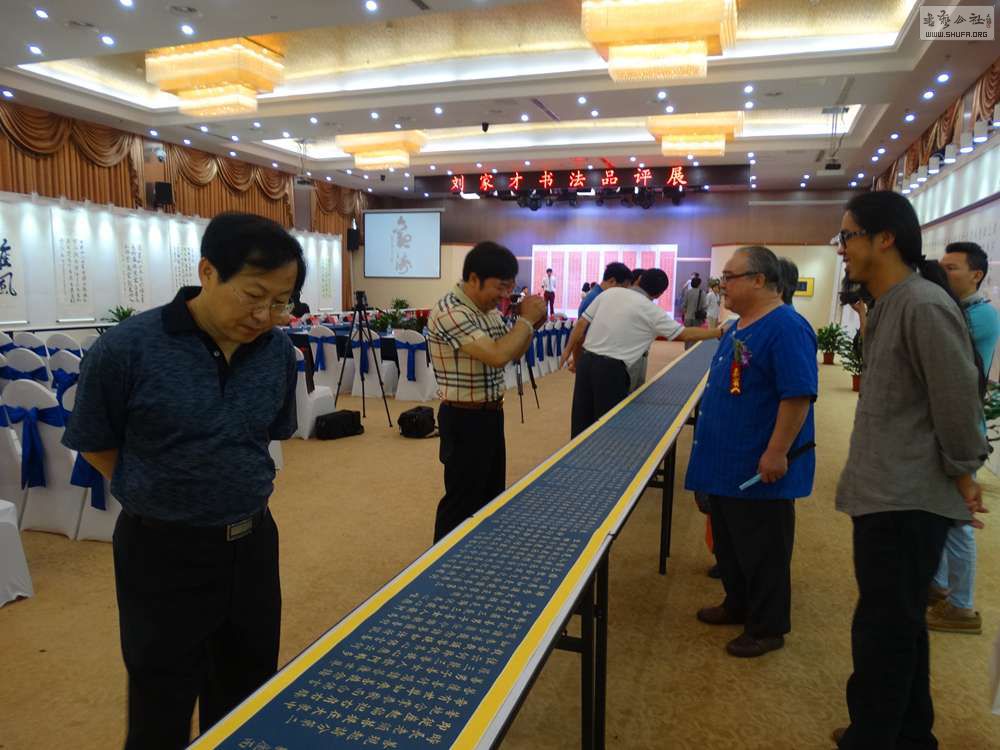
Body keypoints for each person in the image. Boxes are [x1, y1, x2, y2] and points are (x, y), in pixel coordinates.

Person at [62, 212, 304, 750]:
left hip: (251, 545)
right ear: (207, 272)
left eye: (280, 301)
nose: (264, 315)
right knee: (161, 703)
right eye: (253, 295)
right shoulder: (126, 349)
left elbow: (266, 434)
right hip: (161, 552)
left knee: (247, 694)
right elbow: (95, 441)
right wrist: (157, 492)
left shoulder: (277, 353)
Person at [831, 192, 988, 749]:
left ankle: (873, 737)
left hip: (906, 497)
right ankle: (911, 736)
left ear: (885, 238)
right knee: (901, 622)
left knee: (883, 628)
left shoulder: (921, 304)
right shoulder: (890, 303)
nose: (842, 248)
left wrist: (964, 471)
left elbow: (957, 398)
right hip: (886, 489)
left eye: (847, 236)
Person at [685, 246, 817, 659]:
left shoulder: (786, 327)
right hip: (727, 461)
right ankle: (737, 603)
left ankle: (767, 626)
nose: (721, 285)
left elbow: (796, 395)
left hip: (758, 466)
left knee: (763, 550)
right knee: (731, 544)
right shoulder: (740, 326)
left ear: (759, 280)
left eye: (729, 277)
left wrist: (777, 451)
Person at [427, 242, 547, 542]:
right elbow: (496, 355)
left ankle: (480, 554)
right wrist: (525, 321)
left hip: (491, 414)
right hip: (463, 418)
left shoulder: (489, 312)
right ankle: (442, 561)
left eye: (510, 287)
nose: (505, 295)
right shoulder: (450, 311)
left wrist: (532, 326)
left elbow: (513, 352)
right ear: (474, 278)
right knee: (461, 500)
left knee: (491, 494)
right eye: (501, 287)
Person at [927, 241, 1000, 635]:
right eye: (941, 267)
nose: (944, 273)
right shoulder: (958, 309)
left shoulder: (981, 316)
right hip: (949, 427)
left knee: (958, 520)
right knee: (944, 512)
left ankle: (962, 606)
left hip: (962, 429)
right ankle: (940, 586)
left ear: (977, 274)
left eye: (951, 268)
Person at [560, 269, 722, 437]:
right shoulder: (651, 311)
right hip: (611, 371)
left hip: (586, 363)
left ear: (638, 280)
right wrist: (718, 332)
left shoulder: (610, 293)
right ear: (659, 294)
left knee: (581, 422)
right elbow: (685, 334)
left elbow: (581, 325)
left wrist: (569, 354)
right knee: (608, 428)